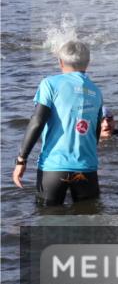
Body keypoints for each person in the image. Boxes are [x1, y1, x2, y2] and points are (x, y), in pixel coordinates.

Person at [13, 40, 103, 205]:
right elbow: (96, 133)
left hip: (54, 168)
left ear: (60, 62)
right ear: (88, 63)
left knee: (48, 217)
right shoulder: (96, 91)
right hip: (86, 168)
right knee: (89, 217)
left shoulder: (50, 84)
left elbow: (37, 121)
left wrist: (21, 159)